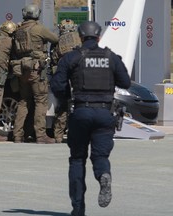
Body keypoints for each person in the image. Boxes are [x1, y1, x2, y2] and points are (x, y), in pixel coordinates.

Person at [50, 21, 131, 216]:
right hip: (105, 114)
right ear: (99, 37)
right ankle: (103, 174)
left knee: (77, 160)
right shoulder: (111, 58)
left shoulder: (72, 57)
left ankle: (78, 209)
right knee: (100, 156)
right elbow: (125, 83)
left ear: (80, 36)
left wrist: (66, 99)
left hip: (81, 112)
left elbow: (57, 85)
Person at [12, 4, 58, 144]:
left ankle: (18, 135)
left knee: (24, 101)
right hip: (36, 70)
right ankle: (40, 135)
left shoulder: (18, 29)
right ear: (37, 14)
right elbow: (55, 39)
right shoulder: (38, 28)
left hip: (21, 69)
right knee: (40, 101)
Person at [50, 19, 81, 143]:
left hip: (62, 73)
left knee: (62, 104)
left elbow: (53, 59)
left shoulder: (57, 41)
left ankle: (58, 135)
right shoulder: (80, 38)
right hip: (78, 74)